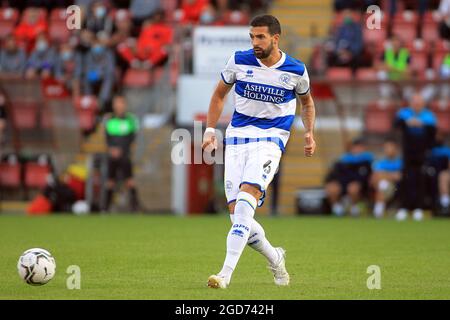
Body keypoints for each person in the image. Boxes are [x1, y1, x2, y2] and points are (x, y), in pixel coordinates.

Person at [202, 15, 316, 289]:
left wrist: (309, 132)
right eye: (252, 37)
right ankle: (275, 257)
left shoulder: (295, 70)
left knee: (245, 204)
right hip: (237, 139)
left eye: (261, 37)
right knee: (238, 216)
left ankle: (225, 274)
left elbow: (307, 103)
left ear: (275, 38)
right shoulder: (238, 61)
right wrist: (209, 130)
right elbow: (219, 95)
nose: (255, 42)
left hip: (270, 141)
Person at [394, 93, 437, 221]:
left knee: (420, 181)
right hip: (407, 153)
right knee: (405, 180)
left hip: (422, 154)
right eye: (414, 102)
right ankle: (403, 208)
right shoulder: (404, 113)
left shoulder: (429, 116)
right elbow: (396, 124)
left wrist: (421, 124)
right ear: (411, 103)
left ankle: (419, 208)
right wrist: (407, 122)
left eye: (419, 103)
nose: (417, 105)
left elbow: (432, 133)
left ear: (423, 104)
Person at [103, 94, 140, 212]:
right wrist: (111, 149)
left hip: (125, 154)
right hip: (112, 155)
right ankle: (105, 208)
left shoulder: (130, 119)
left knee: (130, 181)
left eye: (121, 103)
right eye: (116, 103)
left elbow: (131, 137)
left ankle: (135, 207)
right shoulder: (109, 119)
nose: (119, 105)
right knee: (110, 182)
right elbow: (107, 137)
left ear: (125, 105)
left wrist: (122, 150)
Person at [324, 138, 373, 217]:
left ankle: (354, 208)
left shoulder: (367, 162)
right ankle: (337, 209)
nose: (358, 149)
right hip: (343, 184)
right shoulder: (343, 161)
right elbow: (334, 176)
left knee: (353, 188)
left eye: (360, 147)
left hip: (361, 188)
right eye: (356, 147)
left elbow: (366, 178)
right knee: (332, 187)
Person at [371, 138, 402, 218]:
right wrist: (391, 175)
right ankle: (380, 210)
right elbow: (374, 178)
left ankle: (378, 210)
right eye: (386, 148)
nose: (388, 150)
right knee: (382, 183)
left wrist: (385, 175)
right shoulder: (380, 163)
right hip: (382, 187)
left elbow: (400, 177)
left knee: (383, 182)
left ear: (396, 148)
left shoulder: (401, 162)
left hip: (397, 188)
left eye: (390, 147)